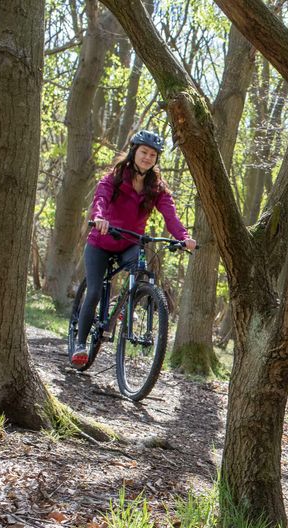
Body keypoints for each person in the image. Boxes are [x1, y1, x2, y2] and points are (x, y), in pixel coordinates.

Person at [70, 130, 196, 366]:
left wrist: (184, 237)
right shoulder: (115, 177)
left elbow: (171, 217)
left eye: (152, 155)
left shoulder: (157, 187)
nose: (148, 158)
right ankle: (80, 343)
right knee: (95, 290)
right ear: (134, 152)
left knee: (142, 272)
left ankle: (125, 307)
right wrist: (99, 218)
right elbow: (100, 199)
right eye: (144, 152)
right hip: (101, 242)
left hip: (129, 242)